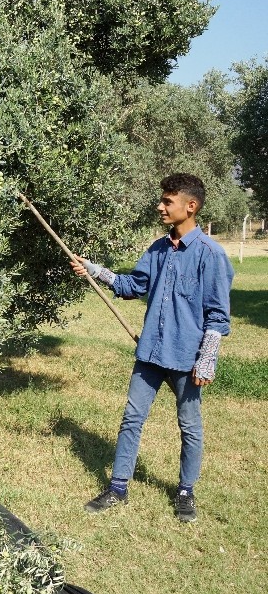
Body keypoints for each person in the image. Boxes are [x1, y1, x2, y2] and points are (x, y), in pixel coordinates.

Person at [70, 173, 233, 523]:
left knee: (189, 425)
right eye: (162, 200)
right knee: (132, 418)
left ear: (191, 206)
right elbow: (133, 286)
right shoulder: (158, 249)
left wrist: (207, 358)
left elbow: (218, 315)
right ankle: (118, 488)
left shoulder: (211, 255)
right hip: (151, 354)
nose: (160, 206)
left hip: (187, 358)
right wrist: (95, 271)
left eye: (168, 201)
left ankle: (185, 492)